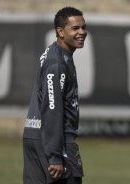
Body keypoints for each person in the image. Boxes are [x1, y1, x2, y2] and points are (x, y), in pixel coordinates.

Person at [22, 7, 87, 184]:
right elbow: (52, 107)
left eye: (83, 27)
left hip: (35, 135)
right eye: (75, 28)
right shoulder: (57, 63)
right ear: (60, 31)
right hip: (54, 141)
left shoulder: (57, 53)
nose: (82, 32)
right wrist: (55, 156)